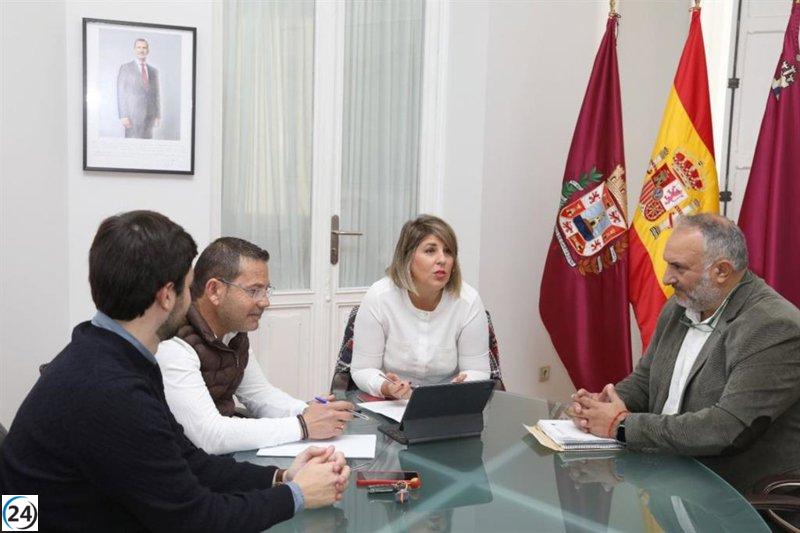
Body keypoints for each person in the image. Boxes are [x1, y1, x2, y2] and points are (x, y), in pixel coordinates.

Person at [0, 211, 350, 532]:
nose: (191, 297)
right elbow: (195, 520)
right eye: (187, 285)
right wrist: (296, 495)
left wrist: (281, 476)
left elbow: (189, 461)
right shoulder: (112, 389)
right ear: (167, 296)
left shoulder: (113, 352)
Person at [568, 213, 800, 494]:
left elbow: (725, 429)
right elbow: (645, 381)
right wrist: (602, 405)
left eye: (678, 267)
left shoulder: (773, 325)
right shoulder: (678, 307)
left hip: (737, 500)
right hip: (666, 482)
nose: (667, 278)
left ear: (721, 271)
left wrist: (621, 425)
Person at [156, 237, 355, 454]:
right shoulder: (173, 347)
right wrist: (303, 425)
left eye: (266, 290)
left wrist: (310, 411)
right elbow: (209, 435)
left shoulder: (234, 334)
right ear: (214, 291)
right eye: (253, 291)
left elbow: (259, 394)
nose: (265, 302)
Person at [350, 214, 491, 399]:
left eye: (448, 252)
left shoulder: (468, 300)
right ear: (407, 258)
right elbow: (363, 369)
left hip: (448, 405)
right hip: (391, 404)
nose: (442, 259)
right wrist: (385, 386)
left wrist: (462, 387)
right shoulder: (379, 296)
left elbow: (477, 370)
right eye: (430, 251)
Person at [117, 38, 161, 139]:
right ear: (134, 50)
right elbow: (121, 93)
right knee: (132, 148)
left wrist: (157, 115)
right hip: (132, 117)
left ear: (148, 51)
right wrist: (123, 115)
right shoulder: (126, 68)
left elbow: (156, 95)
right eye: (139, 47)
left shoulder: (153, 71)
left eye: (144, 48)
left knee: (147, 148)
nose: (141, 50)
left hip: (149, 117)